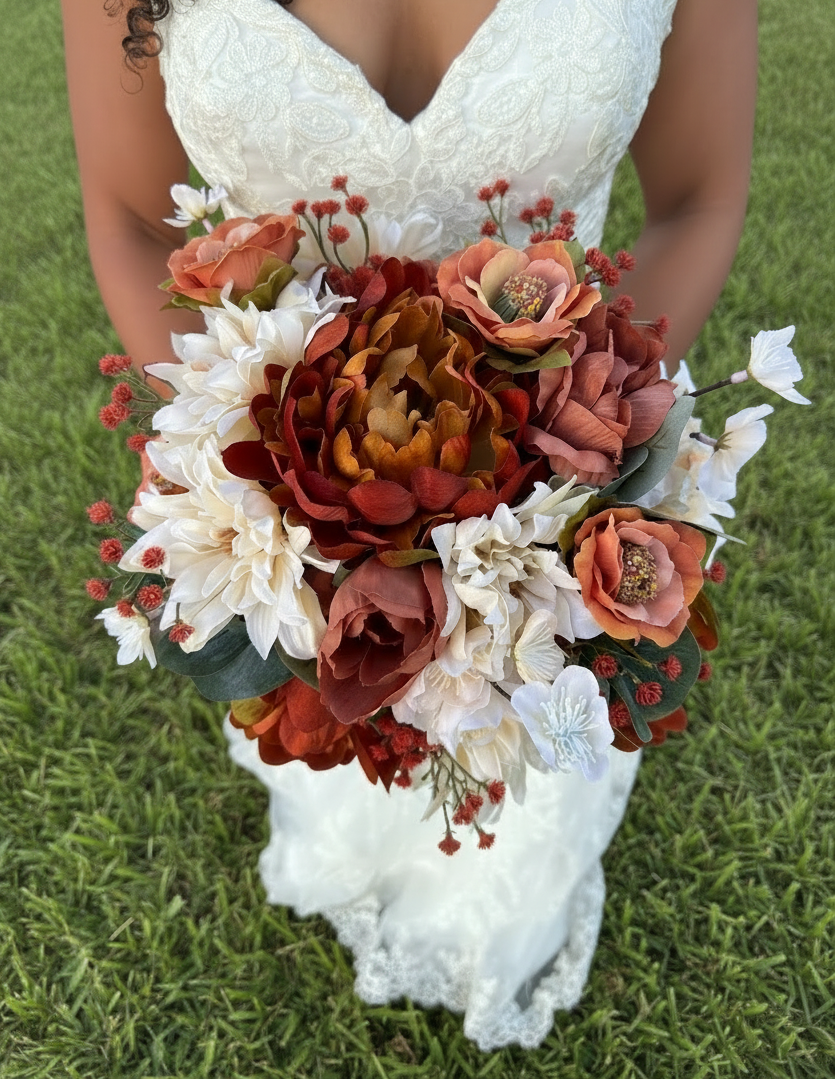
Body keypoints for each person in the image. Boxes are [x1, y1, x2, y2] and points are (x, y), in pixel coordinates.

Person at [62, 0, 758, 1050]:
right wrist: (262, 480)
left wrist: (569, 468)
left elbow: (697, 199)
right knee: (343, 711)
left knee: (519, 752)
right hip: (288, 517)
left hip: (553, 499)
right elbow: (132, 215)